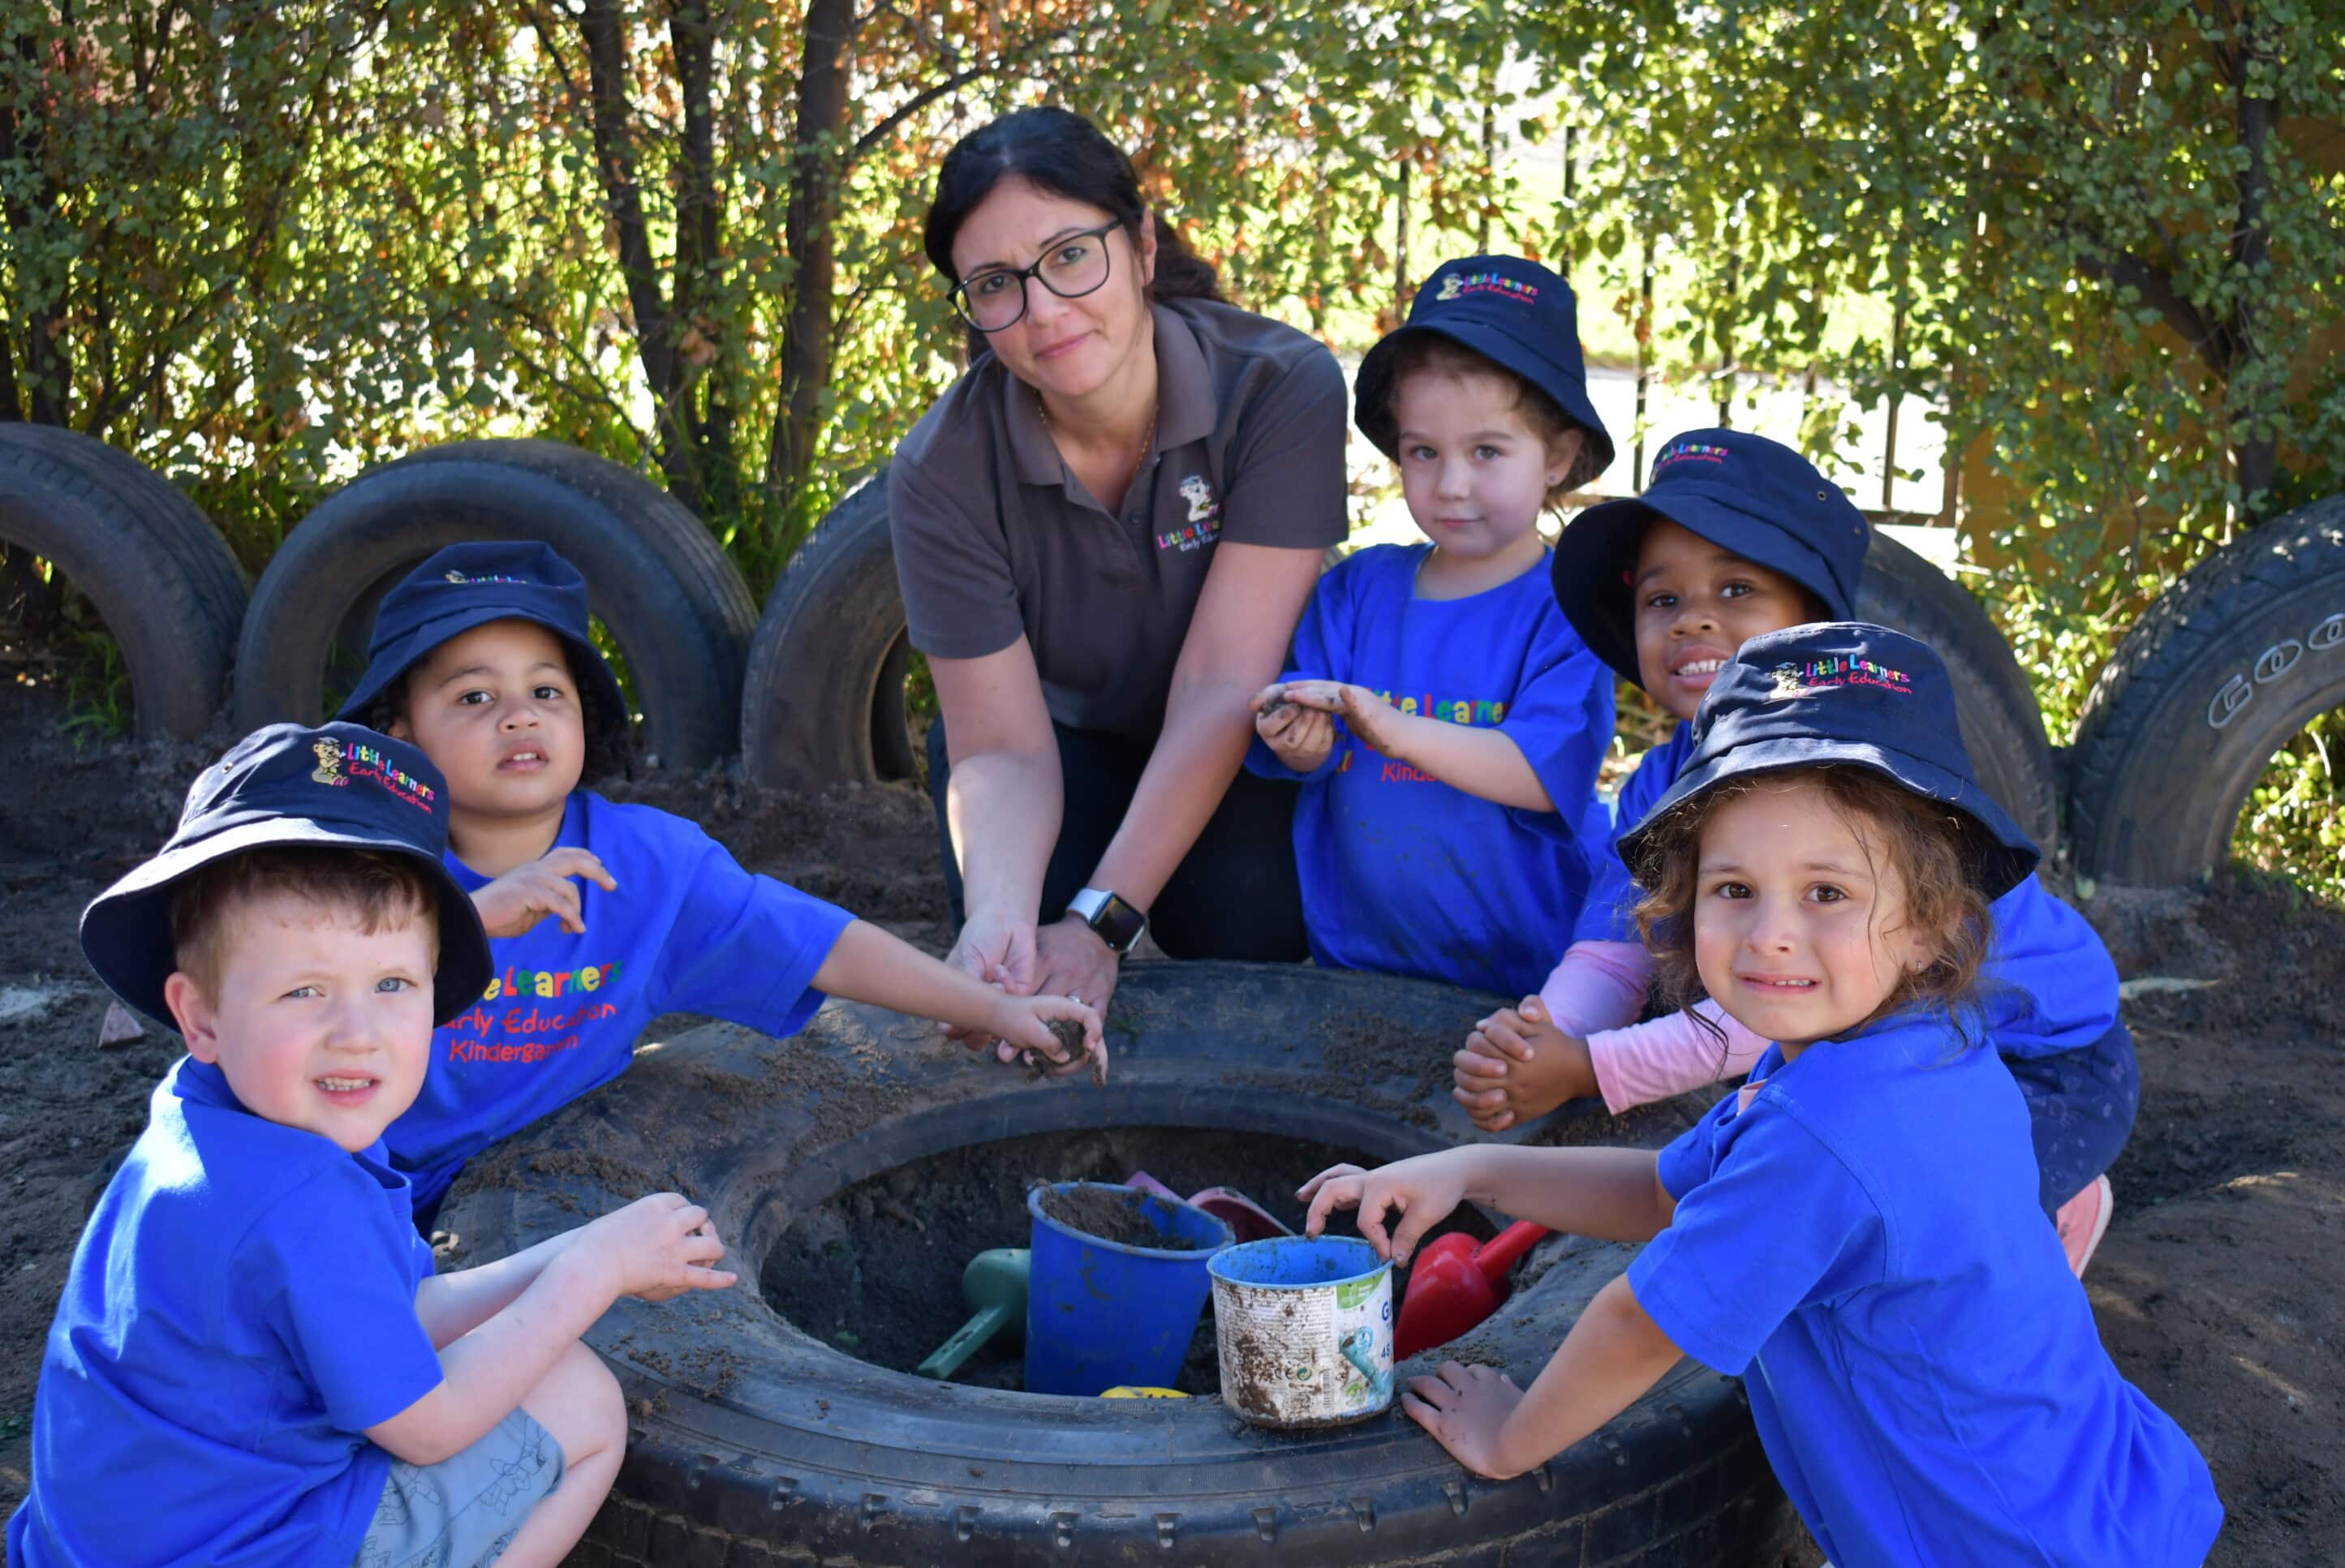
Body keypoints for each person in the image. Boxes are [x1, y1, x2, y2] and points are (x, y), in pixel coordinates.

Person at [1303, 625, 2223, 1566]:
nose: (1769, 935)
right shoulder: (1910, 1048)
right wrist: (1466, 1169)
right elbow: (1662, 1194)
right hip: (2096, 1492)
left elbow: (1640, 1321)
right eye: (1733, 887)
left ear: (1930, 925)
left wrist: (1510, 1437)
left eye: (1825, 892)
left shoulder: (1829, 1132)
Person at [9, 723, 738, 1568]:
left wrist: (568, 1247)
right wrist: (592, 1274)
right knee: (581, 1400)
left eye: (392, 984)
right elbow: (428, 1426)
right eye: (304, 990)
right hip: (243, 1547)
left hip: (103, 1537)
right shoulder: (301, 1203)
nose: (357, 1034)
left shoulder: (207, 1121)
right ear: (200, 1015)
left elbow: (384, 1315)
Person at [1453, 430, 2134, 1271]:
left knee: (1917, 1225)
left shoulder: (1845, 792)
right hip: (1863, 1033)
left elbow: (1763, 1013)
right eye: (1661, 600)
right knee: (1807, 1153)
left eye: (1734, 589)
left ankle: (2054, 1199)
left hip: (2034, 1063)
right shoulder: (1664, 779)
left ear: (1812, 624)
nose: (1693, 617)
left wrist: (1586, 1068)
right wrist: (1540, 1039)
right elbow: (1613, 947)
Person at [342, 541, 1103, 1220]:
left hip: (534, 1196)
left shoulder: (648, 869)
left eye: (547, 691)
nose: (519, 716)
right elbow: (294, 1014)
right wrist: (465, 919)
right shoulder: (356, 866)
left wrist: (995, 1007)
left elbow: (823, 943)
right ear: (401, 732)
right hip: (347, 1182)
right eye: (475, 696)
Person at [890, 105, 1347, 1044]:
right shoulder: (940, 467)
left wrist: (1104, 919)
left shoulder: (1279, 386)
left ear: (1139, 245)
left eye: (1068, 256)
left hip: (1243, 729)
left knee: (1242, 934)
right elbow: (1001, 751)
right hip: (1057, 739)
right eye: (994, 284)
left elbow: (1224, 679)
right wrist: (1000, 919)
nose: (1043, 311)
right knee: (1017, 966)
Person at [1246, 254, 1616, 996]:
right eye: (1423, 452)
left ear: (1559, 457)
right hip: (1359, 958)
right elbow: (1308, 750)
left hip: (1521, 969)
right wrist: (1297, 738)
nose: (1451, 484)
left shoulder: (1568, 609)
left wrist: (1386, 723)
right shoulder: (1357, 589)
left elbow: (1538, 775)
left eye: (1487, 451)